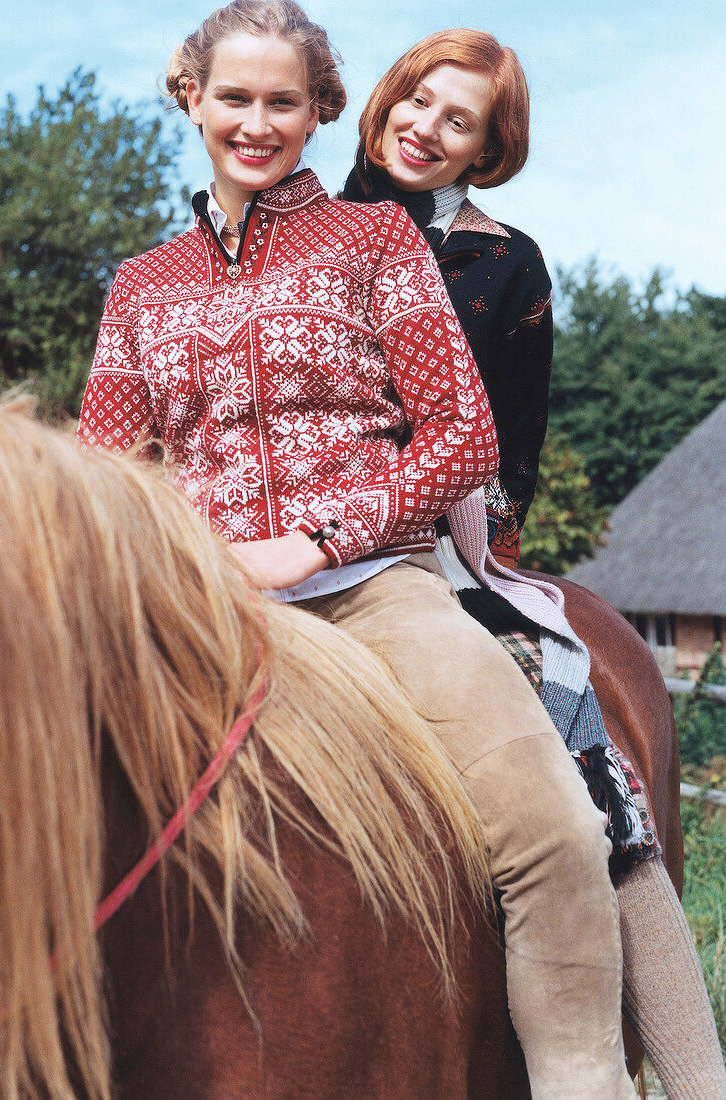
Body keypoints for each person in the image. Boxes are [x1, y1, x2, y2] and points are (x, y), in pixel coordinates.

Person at [78, 3, 639, 1095]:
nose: (256, 122)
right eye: (233, 97)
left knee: (556, 834)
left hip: (378, 589)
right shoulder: (140, 284)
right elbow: (106, 468)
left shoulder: (375, 240)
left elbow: (463, 436)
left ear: (321, 109)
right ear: (191, 97)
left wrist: (314, 541)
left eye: (283, 101)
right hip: (199, 611)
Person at [342, 30, 726, 1099]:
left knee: (585, 769)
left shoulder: (503, 262)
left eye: (457, 120)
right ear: (384, 102)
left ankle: (696, 1078)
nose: (426, 127)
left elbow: (509, 451)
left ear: (486, 148)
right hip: (277, 543)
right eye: (417, 100)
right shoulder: (293, 230)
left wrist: (446, 544)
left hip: (438, 541)